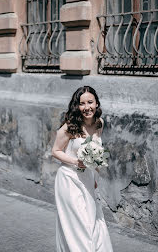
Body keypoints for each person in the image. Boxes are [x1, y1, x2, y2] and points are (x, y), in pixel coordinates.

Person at [52, 86, 113, 252]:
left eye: (90, 102)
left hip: (87, 179)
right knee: (78, 225)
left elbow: (96, 151)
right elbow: (55, 151)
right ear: (76, 107)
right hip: (69, 179)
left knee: (92, 220)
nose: (87, 107)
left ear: (97, 103)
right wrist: (75, 161)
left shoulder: (99, 124)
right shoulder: (69, 126)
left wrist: (94, 174)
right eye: (82, 103)